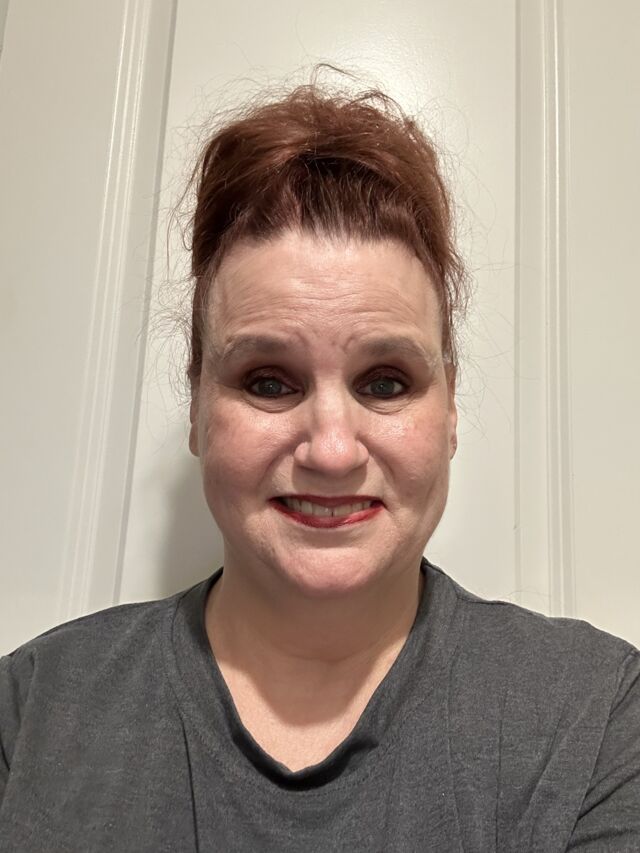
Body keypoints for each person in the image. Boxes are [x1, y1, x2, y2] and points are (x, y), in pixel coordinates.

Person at [1, 77, 639, 852]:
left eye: (386, 382)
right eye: (269, 381)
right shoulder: (30, 716)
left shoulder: (596, 721)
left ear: (450, 410)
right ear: (197, 405)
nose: (332, 451)